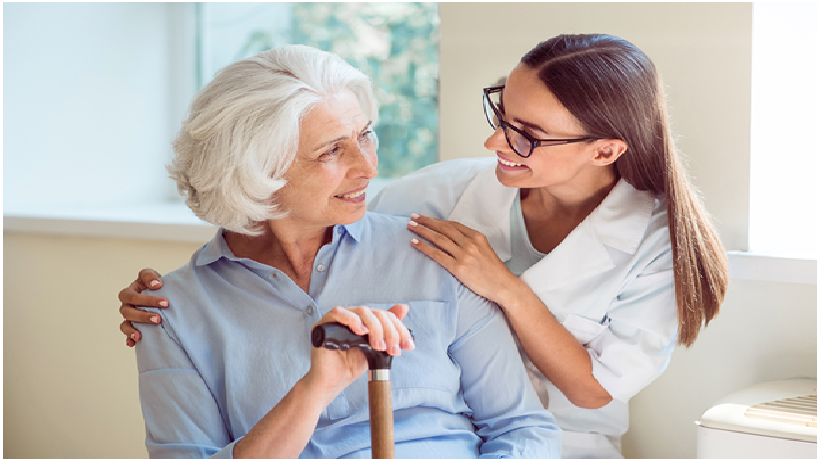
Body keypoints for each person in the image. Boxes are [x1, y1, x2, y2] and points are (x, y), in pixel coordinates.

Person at [120, 34, 729, 458]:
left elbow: (580, 395)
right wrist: (179, 298)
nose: (496, 142)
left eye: (528, 135)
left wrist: (504, 287)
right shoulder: (435, 201)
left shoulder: (652, 242)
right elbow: (276, 218)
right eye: (501, 114)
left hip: (561, 440)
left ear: (604, 150)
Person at [128, 44, 561, 458]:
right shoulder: (170, 312)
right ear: (256, 171)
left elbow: (522, 428)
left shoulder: (435, 255)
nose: (368, 166)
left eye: (364, 135)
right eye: (332, 150)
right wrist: (313, 390)